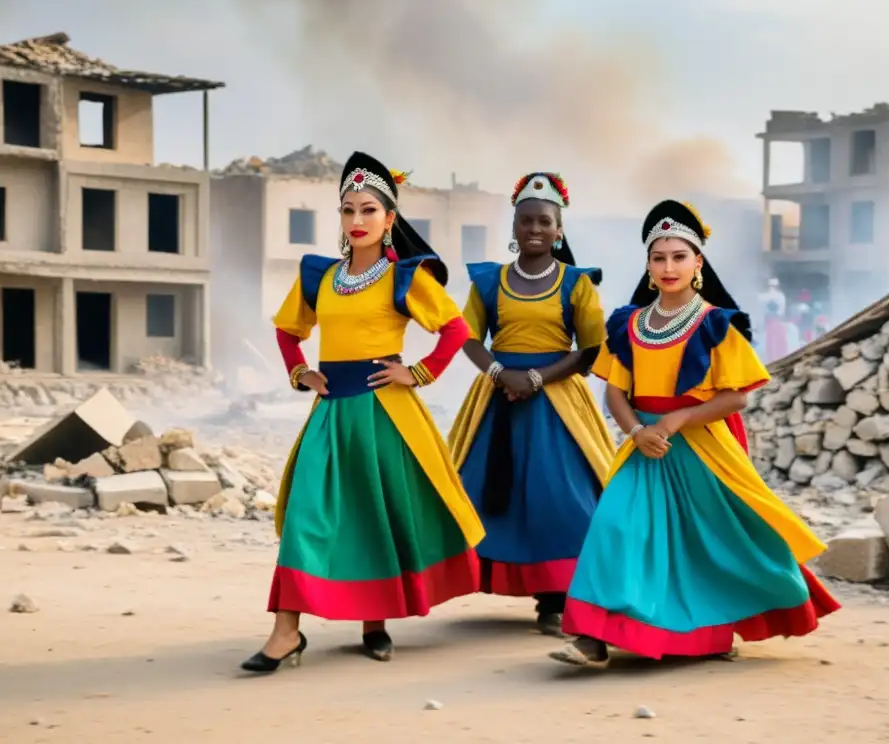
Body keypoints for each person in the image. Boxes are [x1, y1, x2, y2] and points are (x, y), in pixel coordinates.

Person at [549, 199, 840, 669]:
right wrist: (635, 432)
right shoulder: (629, 323)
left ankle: (704, 635)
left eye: (679, 257)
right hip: (644, 448)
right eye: (658, 258)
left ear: (698, 263)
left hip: (701, 449)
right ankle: (592, 637)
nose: (668, 267)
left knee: (707, 540)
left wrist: (676, 420)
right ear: (647, 264)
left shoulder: (716, 325)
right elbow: (616, 393)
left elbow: (737, 397)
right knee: (616, 527)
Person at [241, 151, 485, 672]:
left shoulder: (404, 277)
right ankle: (286, 631)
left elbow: (456, 329)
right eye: (348, 210)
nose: (357, 221)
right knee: (308, 514)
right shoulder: (320, 277)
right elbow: (288, 330)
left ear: (390, 219)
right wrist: (300, 372)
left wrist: (417, 373)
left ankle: (374, 623)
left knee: (376, 514)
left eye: (368, 210)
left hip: (385, 413)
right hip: (330, 414)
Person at [447, 172, 615, 636]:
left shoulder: (577, 284)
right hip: (498, 398)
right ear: (514, 227)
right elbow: (468, 339)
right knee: (488, 493)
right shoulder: (488, 282)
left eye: (544, 221)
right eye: (526, 221)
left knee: (560, 495)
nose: (535, 229)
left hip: (558, 403)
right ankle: (500, 579)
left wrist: (537, 378)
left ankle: (558, 598)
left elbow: (590, 349)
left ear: (559, 231)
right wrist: (504, 374)